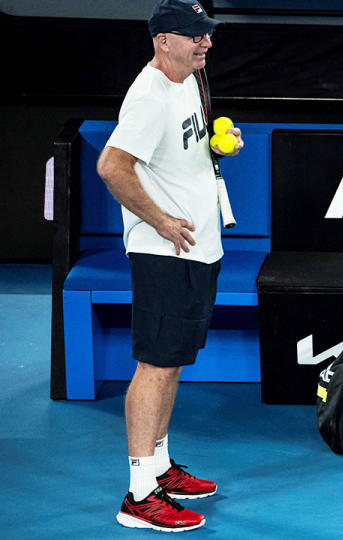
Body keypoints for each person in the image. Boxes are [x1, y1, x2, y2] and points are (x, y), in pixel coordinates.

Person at [96, 0, 243, 532]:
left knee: (173, 360)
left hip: (199, 245)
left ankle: (159, 468)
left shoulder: (191, 80)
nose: (206, 43)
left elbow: (181, 152)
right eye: (194, 35)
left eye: (207, 34)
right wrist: (158, 220)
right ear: (163, 40)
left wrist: (219, 143)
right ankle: (138, 496)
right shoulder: (150, 95)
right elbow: (112, 166)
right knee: (155, 366)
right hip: (165, 252)